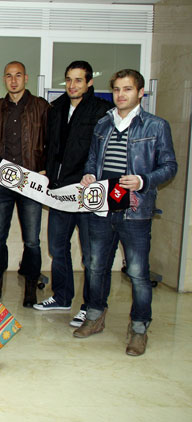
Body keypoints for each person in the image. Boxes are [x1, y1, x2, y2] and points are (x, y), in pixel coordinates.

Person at [74, 69, 177, 356]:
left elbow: (170, 166)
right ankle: (94, 316)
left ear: (140, 93)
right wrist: (88, 177)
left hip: (135, 212)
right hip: (102, 209)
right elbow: (93, 159)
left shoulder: (156, 126)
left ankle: (140, 327)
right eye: (117, 89)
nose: (121, 94)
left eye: (128, 89)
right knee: (95, 266)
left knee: (137, 272)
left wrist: (143, 180)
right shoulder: (103, 124)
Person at [33, 61, 114, 328]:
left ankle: (90, 307)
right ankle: (62, 296)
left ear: (89, 83)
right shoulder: (56, 108)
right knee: (58, 246)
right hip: (59, 191)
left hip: (87, 192)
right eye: (68, 80)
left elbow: (105, 152)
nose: (72, 85)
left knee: (91, 255)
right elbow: (50, 145)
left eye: (78, 80)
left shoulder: (102, 111)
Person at [0, 61, 49, 307]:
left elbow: (51, 142)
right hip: (2, 182)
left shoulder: (41, 107)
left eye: (18, 75)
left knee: (32, 239)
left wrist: (46, 169)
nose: (13, 80)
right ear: (4, 79)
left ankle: (30, 289)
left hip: (31, 181)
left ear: (26, 78)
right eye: (9, 76)